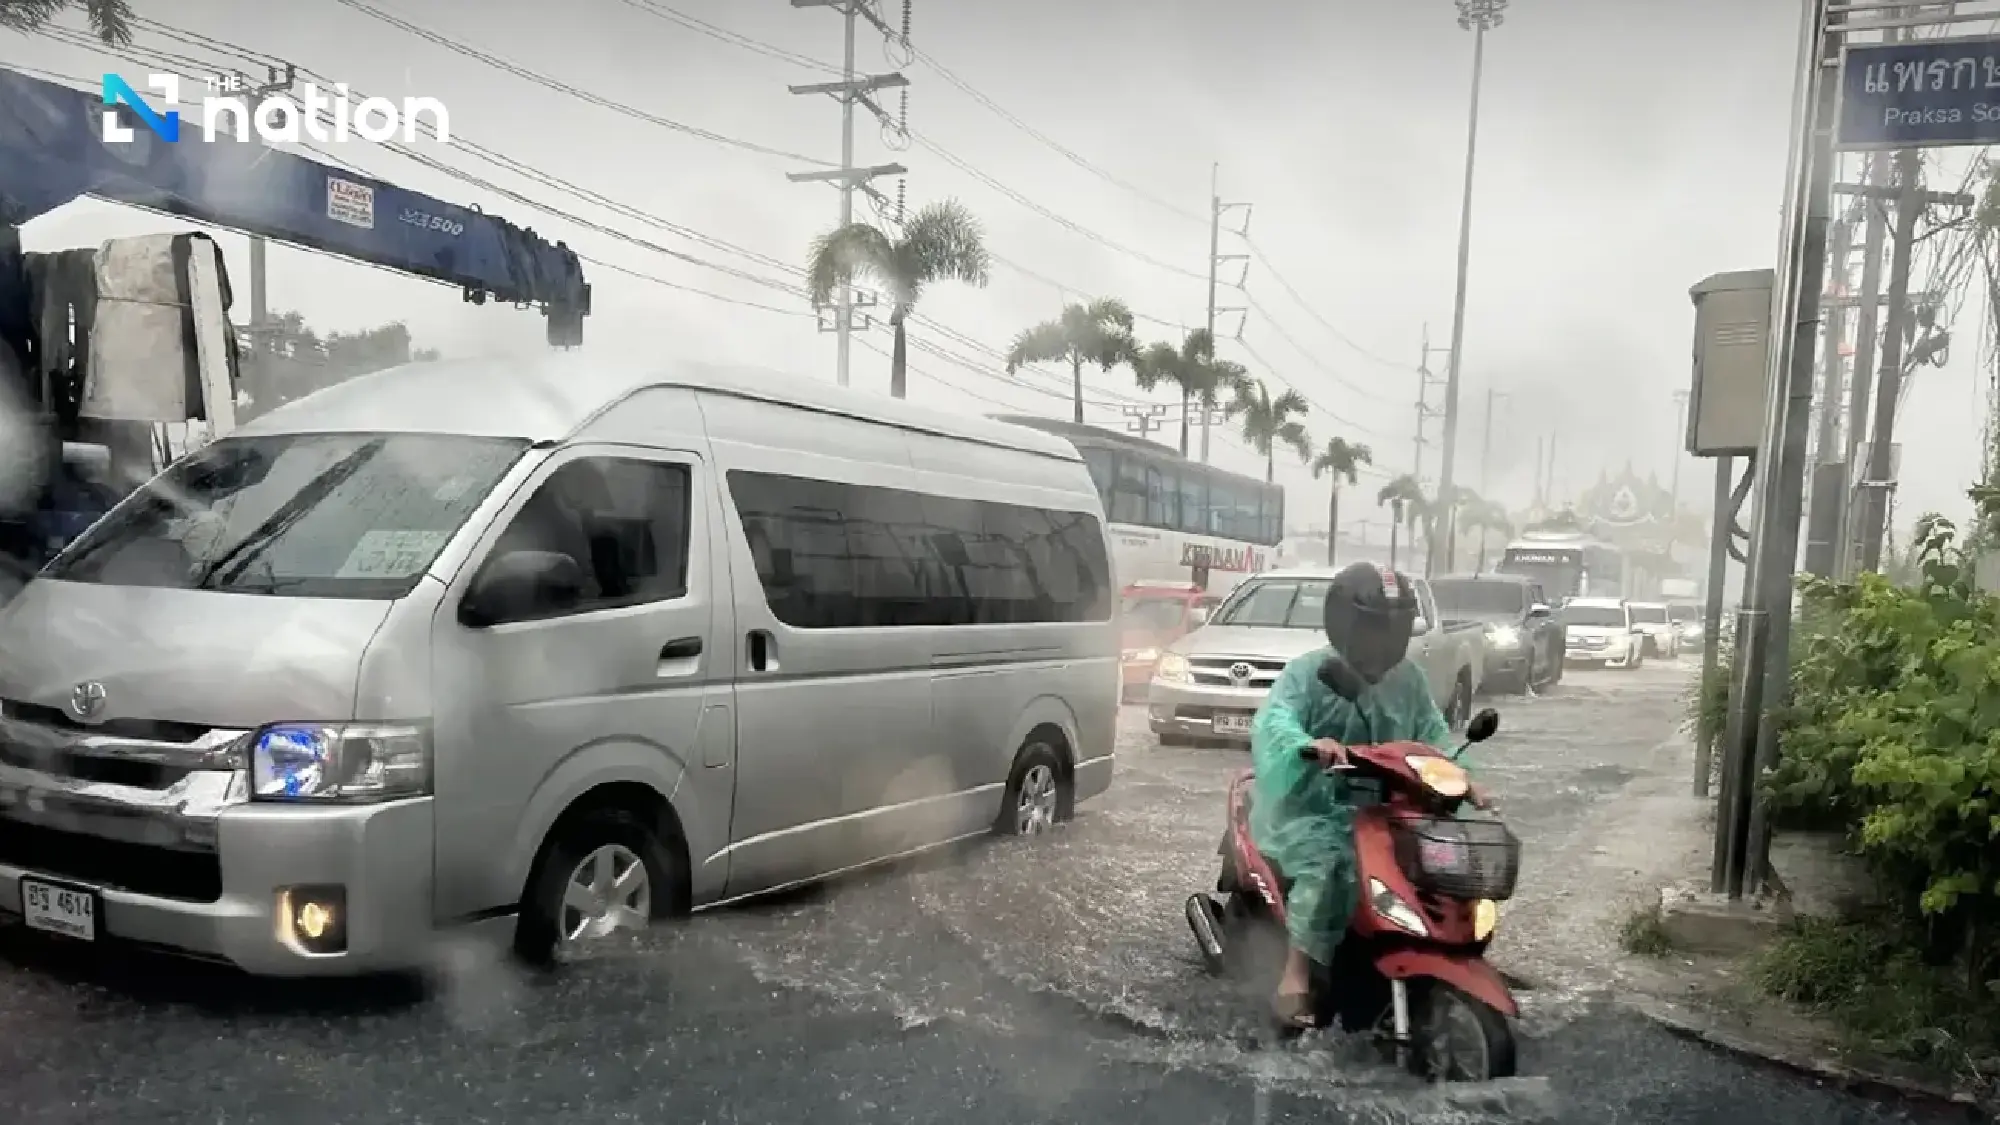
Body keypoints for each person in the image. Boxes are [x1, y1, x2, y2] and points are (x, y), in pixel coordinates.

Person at [1247, 561, 1489, 1029]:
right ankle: (1297, 971)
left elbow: (1433, 735)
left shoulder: (1408, 679)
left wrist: (1466, 775)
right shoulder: (1308, 674)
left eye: (1393, 628)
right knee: (1329, 865)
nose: (1383, 640)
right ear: (1346, 624)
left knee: (1439, 864)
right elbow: (1276, 721)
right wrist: (1309, 746)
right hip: (1312, 807)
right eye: (1375, 627)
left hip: (1388, 810)